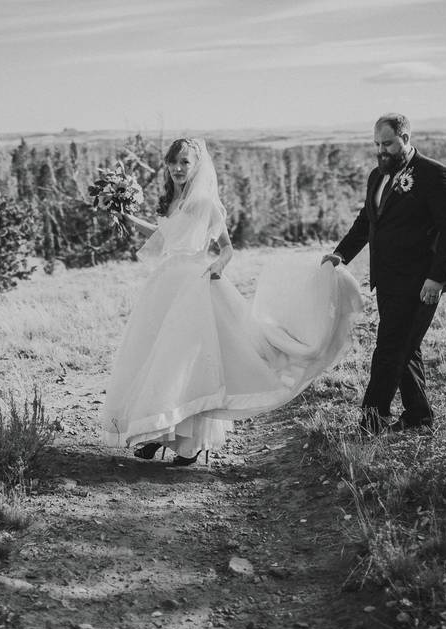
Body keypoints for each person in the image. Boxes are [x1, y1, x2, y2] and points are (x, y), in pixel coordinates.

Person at [102, 138, 363, 465]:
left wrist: (218, 266)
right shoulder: (171, 201)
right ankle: (158, 431)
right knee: (158, 358)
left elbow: (227, 247)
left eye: (185, 162)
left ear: (197, 165)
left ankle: (188, 443)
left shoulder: (207, 204)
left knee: (187, 362)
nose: (178, 168)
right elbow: (163, 238)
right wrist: (126, 218)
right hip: (166, 285)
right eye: (173, 162)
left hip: (195, 285)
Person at [322, 113, 446, 434]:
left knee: (390, 348)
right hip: (387, 281)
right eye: (376, 144)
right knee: (404, 347)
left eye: (387, 143)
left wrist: (437, 278)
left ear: (406, 139)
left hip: (422, 283)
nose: (381, 150)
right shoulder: (377, 175)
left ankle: (372, 419)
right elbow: (367, 221)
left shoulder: (435, 175)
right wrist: (341, 254)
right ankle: (419, 416)